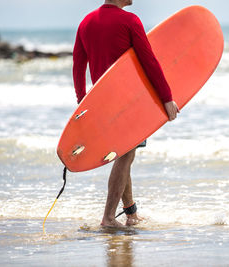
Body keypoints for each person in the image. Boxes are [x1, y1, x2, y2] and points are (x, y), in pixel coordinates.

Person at [72, 0, 179, 227]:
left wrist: (82, 102)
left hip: (100, 103)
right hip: (127, 103)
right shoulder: (130, 21)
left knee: (123, 154)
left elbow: (78, 65)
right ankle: (108, 218)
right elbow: (149, 61)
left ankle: (130, 214)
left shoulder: (85, 23)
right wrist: (167, 97)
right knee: (126, 156)